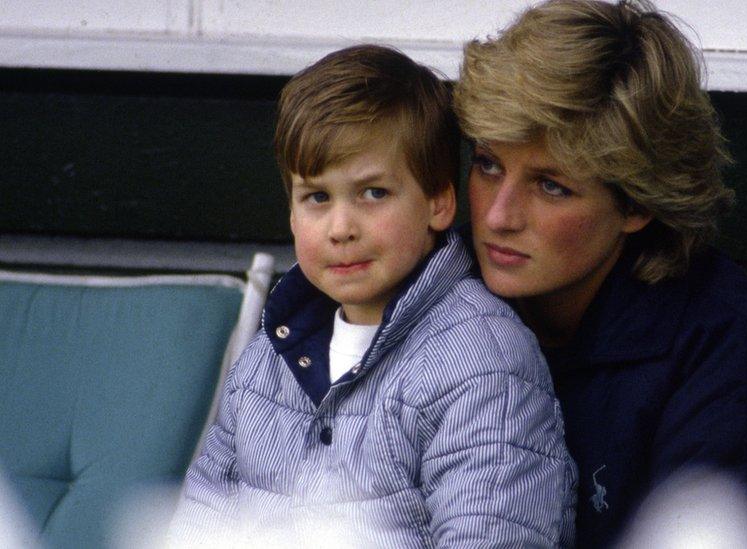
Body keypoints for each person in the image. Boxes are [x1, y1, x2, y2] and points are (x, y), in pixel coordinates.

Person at [453, 0, 747, 547]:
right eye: (488, 164)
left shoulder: (721, 347)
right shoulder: (441, 290)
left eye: (551, 186)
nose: (497, 216)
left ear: (637, 205)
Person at [169, 45, 576, 546]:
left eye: (373, 193)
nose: (341, 228)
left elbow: (492, 534)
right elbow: (202, 521)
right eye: (317, 197)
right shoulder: (268, 357)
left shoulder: (482, 364)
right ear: (292, 214)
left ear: (438, 202)